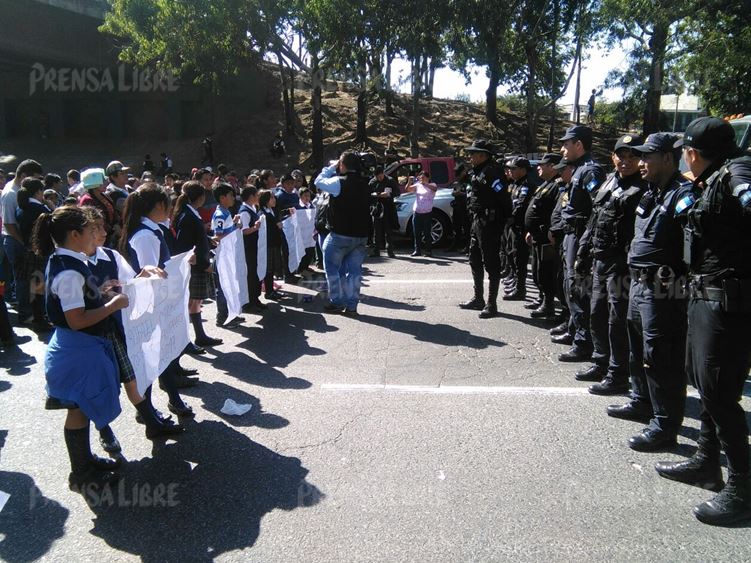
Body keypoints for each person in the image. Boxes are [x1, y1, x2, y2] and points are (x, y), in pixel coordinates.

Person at [654, 117, 751, 526]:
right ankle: (707, 463)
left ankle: (743, 488)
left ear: (692, 152)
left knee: (718, 392)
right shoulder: (707, 181)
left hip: (727, 303)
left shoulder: (737, 171)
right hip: (702, 294)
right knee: (706, 385)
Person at [606, 133, 695, 454]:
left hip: (664, 288)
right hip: (637, 283)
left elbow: (693, 249)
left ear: (669, 159)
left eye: (648, 157)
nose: (641, 163)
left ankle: (664, 425)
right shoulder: (652, 194)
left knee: (661, 357)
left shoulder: (683, 195)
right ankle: (641, 400)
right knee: (637, 348)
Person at [33, 205, 125, 493]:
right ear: (75, 234)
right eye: (90, 230)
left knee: (80, 410)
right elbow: (76, 320)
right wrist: (112, 305)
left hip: (79, 349)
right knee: (77, 410)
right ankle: (81, 474)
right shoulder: (69, 272)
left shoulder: (66, 260)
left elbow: (80, 303)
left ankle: (84, 463)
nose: (95, 235)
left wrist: (101, 292)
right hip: (77, 351)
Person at [84, 206, 184, 453]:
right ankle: (104, 430)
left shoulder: (110, 256)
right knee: (102, 386)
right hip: (90, 334)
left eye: (102, 225)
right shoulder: (75, 263)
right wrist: (100, 294)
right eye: (95, 228)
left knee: (131, 377)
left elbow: (129, 284)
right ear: (80, 232)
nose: (103, 231)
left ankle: (151, 422)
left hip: (116, 327)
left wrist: (144, 273)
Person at [575, 135, 648, 394]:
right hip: (601, 260)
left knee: (618, 322)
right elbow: (594, 220)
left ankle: (618, 374)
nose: (626, 161)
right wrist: (583, 252)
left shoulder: (644, 189)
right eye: (621, 156)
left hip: (623, 266)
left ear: (640, 159)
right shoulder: (608, 180)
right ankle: (600, 361)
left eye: (632, 157)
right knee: (596, 314)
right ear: (613, 157)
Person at [121, 184, 196, 419]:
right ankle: (151, 409)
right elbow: (150, 274)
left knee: (160, 356)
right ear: (158, 206)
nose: (171, 208)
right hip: (149, 307)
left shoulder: (150, 230)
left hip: (154, 305)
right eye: (168, 203)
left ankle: (166, 402)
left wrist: (181, 261)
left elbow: (158, 266)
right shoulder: (145, 235)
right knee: (153, 357)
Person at [557, 125, 607, 362]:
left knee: (579, 289)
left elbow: (597, 211)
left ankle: (583, 343)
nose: (562, 149)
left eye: (566, 144)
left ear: (579, 145)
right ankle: (575, 331)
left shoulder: (590, 172)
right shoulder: (578, 170)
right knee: (570, 288)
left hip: (580, 236)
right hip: (570, 235)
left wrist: (585, 243)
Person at [315, 151, 371, 315]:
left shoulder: (338, 182)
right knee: (355, 271)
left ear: (342, 165)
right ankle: (352, 306)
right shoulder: (365, 182)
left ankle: (337, 301)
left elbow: (318, 181)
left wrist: (330, 168)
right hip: (361, 235)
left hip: (340, 234)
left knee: (331, 268)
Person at [459, 139, 509, 318]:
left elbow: (503, 198)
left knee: (491, 263)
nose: (470, 156)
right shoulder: (478, 171)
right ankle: (478, 298)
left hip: (489, 223)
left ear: (483, 155)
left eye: (473, 153)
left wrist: (501, 223)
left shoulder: (492, 172)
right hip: (477, 221)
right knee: (474, 259)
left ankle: (491, 304)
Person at [172, 181, 223, 350]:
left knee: (196, 301)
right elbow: (185, 245)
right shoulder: (187, 215)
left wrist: (208, 240)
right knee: (192, 302)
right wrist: (203, 264)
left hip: (197, 263)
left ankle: (200, 336)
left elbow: (195, 237)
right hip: (194, 265)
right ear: (200, 198)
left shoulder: (190, 212)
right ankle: (188, 340)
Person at [1, 159, 43, 320]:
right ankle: (26, 313)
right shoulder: (10, 193)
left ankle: (31, 311)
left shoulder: (21, 190)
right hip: (15, 240)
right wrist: (25, 244)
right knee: (22, 279)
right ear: (24, 175)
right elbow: (9, 224)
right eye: (37, 178)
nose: (39, 182)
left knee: (28, 278)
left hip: (23, 241)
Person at [524, 153, 562, 318]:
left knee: (546, 272)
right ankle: (542, 299)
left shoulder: (558, 186)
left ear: (553, 166)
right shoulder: (546, 184)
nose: (538, 167)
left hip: (547, 237)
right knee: (538, 270)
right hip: (537, 235)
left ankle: (549, 304)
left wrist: (548, 230)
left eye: (543, 164)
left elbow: (555, 212)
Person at [15, 178, 52, 330]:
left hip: (28, 250)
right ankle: (40, 318)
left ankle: (37, 317)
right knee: (38, 287)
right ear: (38, 191)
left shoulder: (21, 208)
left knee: (34, 286)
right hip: (40, 251)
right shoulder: (39, 210)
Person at [211, 182, 244, 327]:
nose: (234, 198)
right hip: (222, 256)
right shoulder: (220, 214)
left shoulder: (226, 212)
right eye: (231, 195)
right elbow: (218, 237)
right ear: (222, 197)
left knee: (231, 285)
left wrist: (234, 224)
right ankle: (222, 317)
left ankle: (232, 313)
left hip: (229, 254)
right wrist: (235, 227)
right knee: (223, 287)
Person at [505, 157, 537, 301]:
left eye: (513, 168)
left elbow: (521, 206)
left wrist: (509, 217)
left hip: (520, 227)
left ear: (523, 170)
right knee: (511, 254)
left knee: (520, 259)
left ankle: (520, 289)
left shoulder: (527, 185)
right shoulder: (514, 184)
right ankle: (516, 282)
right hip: (512, 226)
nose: (510, 171)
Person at [237, 186, 265, 311]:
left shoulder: (252, 208)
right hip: (248, 248)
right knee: (251, 274)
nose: (258, 197)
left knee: (256, 272)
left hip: (255, 246)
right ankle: (249, 302)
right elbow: (244, 231)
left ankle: (255, 298)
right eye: (256, 195)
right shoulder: (244, 211)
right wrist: (255, 228)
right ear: (251, 197)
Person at [79, 168, 119, 247]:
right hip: (101, 238)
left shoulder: (104, 195)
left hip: (112, 234)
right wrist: (113, 230)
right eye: (103, 181)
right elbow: (94, 221)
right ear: (95, 184)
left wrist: (117, 224)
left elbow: (114, 212)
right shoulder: (87, 200)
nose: (106, 183)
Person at [368, 166, 398, 258]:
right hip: (377, 209)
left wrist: (389, 194)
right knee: (376, 231)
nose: (379, 178)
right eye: (377, 177)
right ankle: (376, 251)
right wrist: (377, 195)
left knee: (388, 231)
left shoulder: (390, 181)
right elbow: (368, 194)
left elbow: (397, 192)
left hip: (388, 208)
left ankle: (390, 251)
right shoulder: (372, 182)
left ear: (383, 173)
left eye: (380, 176)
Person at [406, 171, 438, 257]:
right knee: (416, 232)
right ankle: (417, 250)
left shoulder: (432, 185)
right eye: (420, 177)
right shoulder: (417, 185)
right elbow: (408, 189)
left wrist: (425, 183)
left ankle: (428, 251)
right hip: (417, 212)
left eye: (423, 177)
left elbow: (435, 189)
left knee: (427, 232)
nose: (421, 179)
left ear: (428, 178)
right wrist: (409, 181)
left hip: (427, 212)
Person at [450, 163, 471, 253]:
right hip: (457, 206)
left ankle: (468, 247)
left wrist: (462, 194)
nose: (457, 173)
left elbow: (471, 193)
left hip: (465, 207)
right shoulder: (458, 181)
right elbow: (454, 192)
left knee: (466, 228)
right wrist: (455, 193)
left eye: (459, 171)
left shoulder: (469, 180)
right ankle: (455, 245)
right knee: (456, 227)